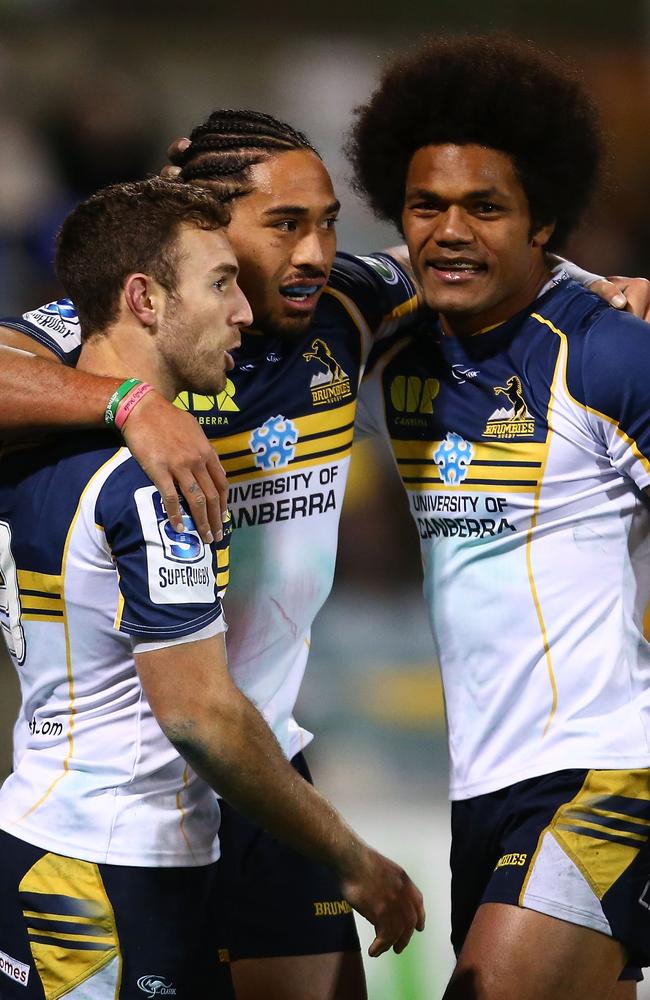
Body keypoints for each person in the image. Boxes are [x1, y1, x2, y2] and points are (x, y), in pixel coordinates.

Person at [0, 108, 647, 1000]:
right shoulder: (112, 333)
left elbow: (481, 261)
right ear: (201, 236)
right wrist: (130, 406)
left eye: (328, 221)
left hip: (264, 773)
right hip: (134, 794)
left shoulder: (350, 301)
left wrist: (597, 286)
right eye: (283, 226)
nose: (314, 252)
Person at [0, 176, 424, 1000]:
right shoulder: (158, 483)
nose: (241, 311)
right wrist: (356, 860)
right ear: (144, 300)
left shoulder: (28, 446)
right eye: (221, 284)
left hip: (52, 829)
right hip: (118, 865)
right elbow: (199, 715)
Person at [348, 33, 650, 999]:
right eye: (427, 206)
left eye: (487, 207)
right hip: (484, 782)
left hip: (608, 770)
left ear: (543, 222)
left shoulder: (609, 353)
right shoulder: (393, 339)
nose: (450, 232)